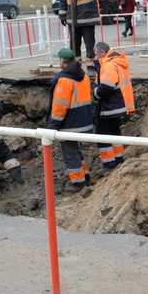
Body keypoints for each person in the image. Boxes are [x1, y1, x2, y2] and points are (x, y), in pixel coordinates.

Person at [48, 48, 94, 196]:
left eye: (59, 59)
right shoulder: (84, 76)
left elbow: (59, 107)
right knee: (75, 151)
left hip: (70, 124)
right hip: (84, 120)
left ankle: (77, 183)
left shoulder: (64, 80)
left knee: (70, 153)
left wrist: (52, 127)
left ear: (62, 60)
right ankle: (85, 176)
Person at [92, 42, 134, 176]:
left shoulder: (109, 65)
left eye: (96, 55)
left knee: (102, 134)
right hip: (118, 105)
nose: (96, 57)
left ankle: (109, 165)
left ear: (102, 53)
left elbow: (107, 87)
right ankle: (118, 159)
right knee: (115, 132)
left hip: (110, 106)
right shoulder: (117, 61)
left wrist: (96, 93)